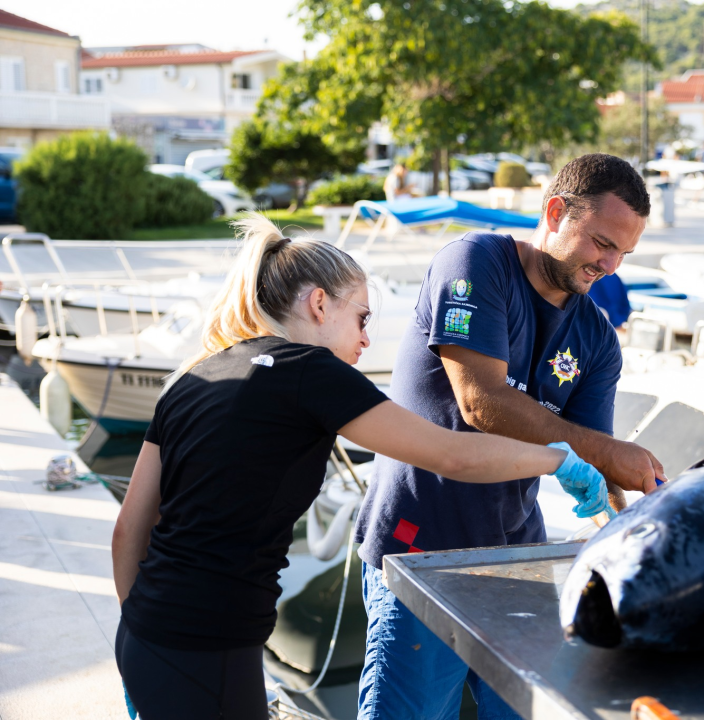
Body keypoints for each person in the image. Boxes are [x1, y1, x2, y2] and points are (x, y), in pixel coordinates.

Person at [110, 214, 612, 720]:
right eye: (363, 318)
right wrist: (558, 460)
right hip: (211, 642)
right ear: (320, 303)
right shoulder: (309, 371)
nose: (368, 339)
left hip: (143, 632)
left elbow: (129, 528)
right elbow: (451, 454)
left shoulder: (197, 374)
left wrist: (143, 636)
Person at [354, 153, 666, 719]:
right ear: (555, 211)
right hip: (418, 553)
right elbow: (481, 401)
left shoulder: (596, 338)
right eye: (601, 242)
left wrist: (624, 521)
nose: (611, 264)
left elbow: (596, 464)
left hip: (518, 564)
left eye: (624, 252)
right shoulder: (475, 260)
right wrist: (604, 455)